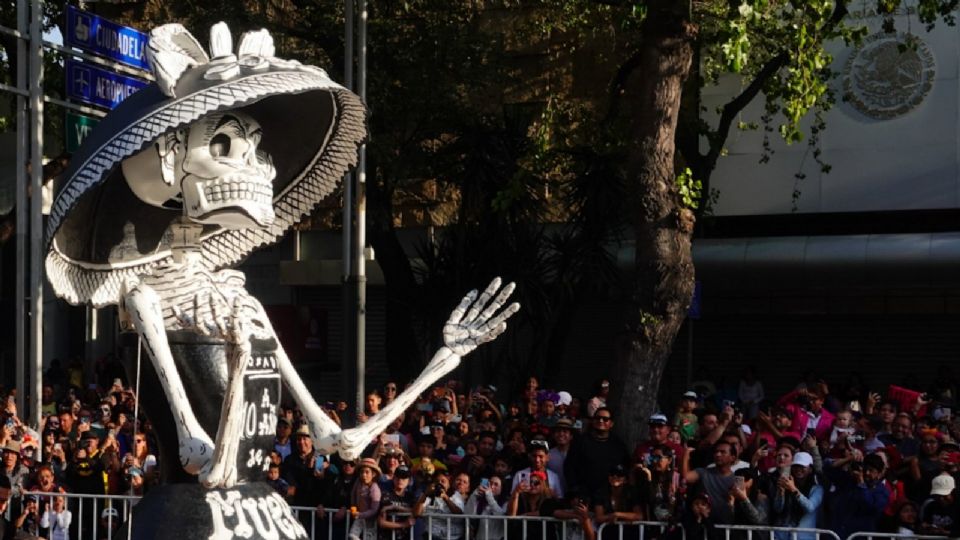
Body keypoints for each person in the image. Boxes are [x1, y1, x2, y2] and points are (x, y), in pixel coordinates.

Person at [565, 407, 630, 499]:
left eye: (605, 419)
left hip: (609, 496)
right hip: (583, 495)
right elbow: (569, 467)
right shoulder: (580, 442)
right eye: (597, 418)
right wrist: (574, 490)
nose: (600, 421)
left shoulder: (618, 445)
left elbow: (626, 468)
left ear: (611, 423)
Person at [825, 454, 889, 538]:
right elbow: (828, 470)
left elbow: (869, 506)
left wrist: (862, 485)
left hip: (860, 536)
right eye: (865, 469)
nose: (867, 473)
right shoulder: (850, 481)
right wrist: (849, 459)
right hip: (838, 534)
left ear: (879, 474)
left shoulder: (882, 492)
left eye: (871, 470)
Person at [769, 452, 823, 540]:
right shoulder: (788, 484)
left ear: (810, 469)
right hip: (782, 536)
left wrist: (793, 489)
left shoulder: (817, 489)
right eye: (796, 466)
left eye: (802, 466)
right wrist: (781, 493)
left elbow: (809, 507)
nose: (798, 469)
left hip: (804, 537)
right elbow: (778, 509)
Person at [683, 440, 738, 525]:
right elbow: (686, 478)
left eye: (723, 452)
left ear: (732, 458)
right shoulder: (703, 472)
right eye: (716, 452)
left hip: (727, 526)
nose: (718, 454)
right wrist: (686, 456)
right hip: (705, 524)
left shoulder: (735, 480)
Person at [593, 464, 644, 539]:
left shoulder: (631, 493)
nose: (615, 476)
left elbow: (639, 516)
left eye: (619, 475)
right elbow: (599, 517)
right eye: (612, 474)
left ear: (625, 479)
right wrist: (611, 516)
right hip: (608, 534)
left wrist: (617, 514)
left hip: (628, 535)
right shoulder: (601, 493)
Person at [414, 470, 465, 540]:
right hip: (431, 536)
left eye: (443, 481)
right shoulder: (428, 496)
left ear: (449, 484)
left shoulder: (456, 496)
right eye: (437, 481)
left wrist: (445, 498)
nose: (439, 483)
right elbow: (416, 513)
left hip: (452, 537)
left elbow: (459, 514)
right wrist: (425, 494)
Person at [347, 457, 381, 540]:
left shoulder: (374, 488)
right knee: (352, 536)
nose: (364, 475)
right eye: (362, 472)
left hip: (370, 520)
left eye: (367, 472)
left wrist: (361, 514)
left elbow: (374, 509)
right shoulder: (358, 482)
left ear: (373, 474)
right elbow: (353, 494)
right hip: (359, 518)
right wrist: (353, 507)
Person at [377, 466, 415, 540]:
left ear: (409, 481)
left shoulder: (411, 497)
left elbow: (416, 511)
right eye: (398, 477)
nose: (400, 480)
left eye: (404, 478)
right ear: (393, 478)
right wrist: (403, 524)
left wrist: (396, 507)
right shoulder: (386, 495)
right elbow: (381, 522)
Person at [465, 475, 508, 540]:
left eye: (496, 484)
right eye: (490, 483)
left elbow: (501, 516)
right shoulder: (481, 501)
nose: (492, 486)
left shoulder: (505, 503)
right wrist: (474, 495)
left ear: (501, 488)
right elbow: (468, 514)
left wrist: (489, 496)